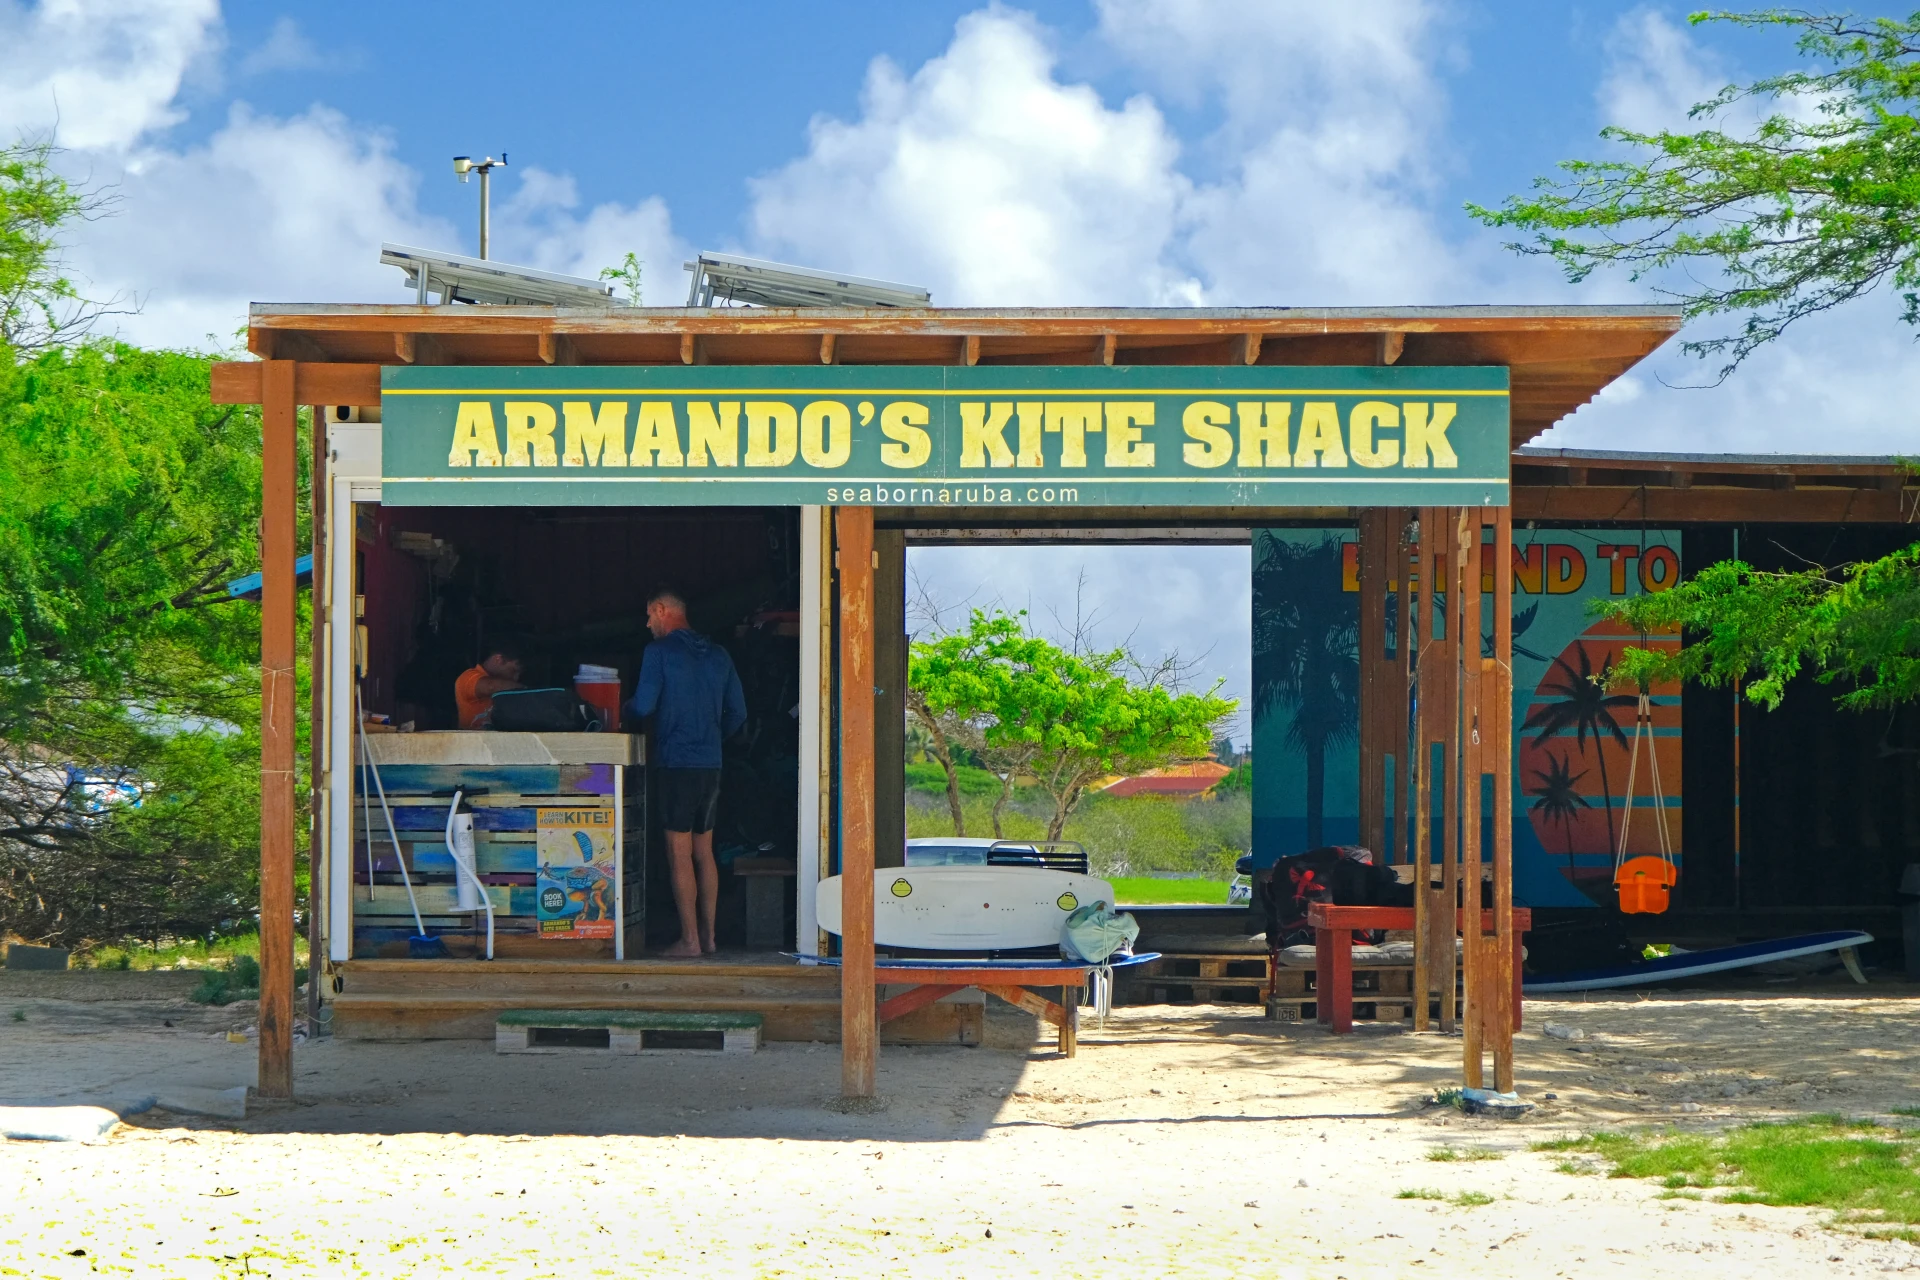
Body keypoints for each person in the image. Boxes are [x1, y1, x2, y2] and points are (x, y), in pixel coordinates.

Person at [627, 588, 746, 957]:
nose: (647, 624)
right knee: (703, 851)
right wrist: (711, 738)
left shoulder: (658, 653)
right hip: (711, 764)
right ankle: (709, 938)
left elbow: (644, 704)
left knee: (678, 853)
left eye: (649, 615)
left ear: (662, 610)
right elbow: (738, 713)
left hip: (676, 761)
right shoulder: (719, 655)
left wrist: (617, 711)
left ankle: (689, 941)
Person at [454, 641, 525, 729]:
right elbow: (491, 686)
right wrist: (527, 691)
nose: (516, 677)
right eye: (514, 670)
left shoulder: (507, 683)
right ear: (498, 659)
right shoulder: (468, 677)